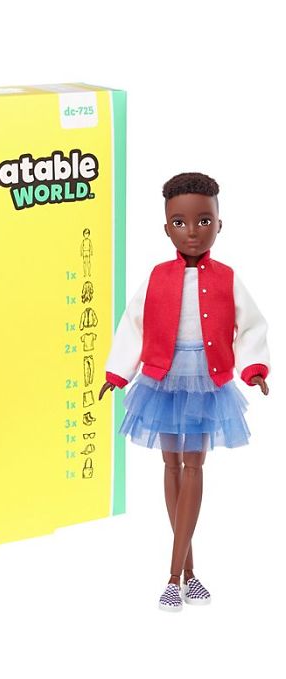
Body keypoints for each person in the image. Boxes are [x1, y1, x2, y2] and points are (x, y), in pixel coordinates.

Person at [99, 172, 270, 611]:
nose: (192, 231)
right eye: (180, 222)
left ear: (219, 224)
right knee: (170, 466)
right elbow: (132, 326)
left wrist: (253, 367)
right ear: (166, 228)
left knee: (193, 467)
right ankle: (190, 574)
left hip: (205, 382)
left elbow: (250, 325)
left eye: (203, 221)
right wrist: (117, 373)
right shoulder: (157, 277)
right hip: (163, 380)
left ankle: (173, 578)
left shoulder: (228, 278)